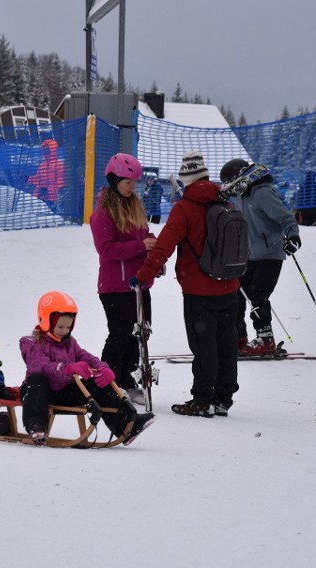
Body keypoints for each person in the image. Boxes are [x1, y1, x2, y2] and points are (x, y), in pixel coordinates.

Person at [132, 151, 240, 418]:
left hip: (199, 289)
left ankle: (202, 399)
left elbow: (164, 247)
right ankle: (223, 398)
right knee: (226, 343)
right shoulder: (226, 202)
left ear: (186, 180)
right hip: (229, 286)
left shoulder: (185, 208)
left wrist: (144, 274)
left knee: (204, 346)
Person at [19, 290, 155, 446]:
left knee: (98, 384)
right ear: (46, 321)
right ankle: (36, 426)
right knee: (37, 378)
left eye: (68, 327)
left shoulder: (70, 343)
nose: (64, 331)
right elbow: (40, 366)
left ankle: (127, 426)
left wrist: (103, 368)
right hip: (39, 394)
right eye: (60, 326)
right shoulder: (31, 343)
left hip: (64, 392)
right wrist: (68, 369)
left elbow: (86, 357)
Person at [89, 153, 156, 406]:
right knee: (120, 334)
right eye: (128, 181)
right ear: (115, 179)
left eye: (134, 182)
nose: (133, 186)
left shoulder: (134, 205)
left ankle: (127, 380)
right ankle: (108, 383)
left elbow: (145, 234)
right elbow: (106, 249)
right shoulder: (103, 212)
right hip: (115, 286)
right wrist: (141, 245)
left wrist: (153, 254)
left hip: (139, 283)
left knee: (140, 334)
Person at [221, 159, 300, 356]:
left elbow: (285, 217)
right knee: (237, 293)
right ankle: (238, 338)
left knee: (257, 294)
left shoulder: (263, 193)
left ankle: (265, 339)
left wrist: (293, 236)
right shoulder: (239, 197)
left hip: (270, 253)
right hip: (249, 254)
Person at [27, 139, 64, 210]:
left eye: (47, 150)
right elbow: (38, 179)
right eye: (44, 149)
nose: (45, 152)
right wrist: (28, 178)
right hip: (39, 197)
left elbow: (61, 184)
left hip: (51, 200)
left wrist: (48, 190)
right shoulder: (42, 165)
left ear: (53, 150)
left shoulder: (59, 165)